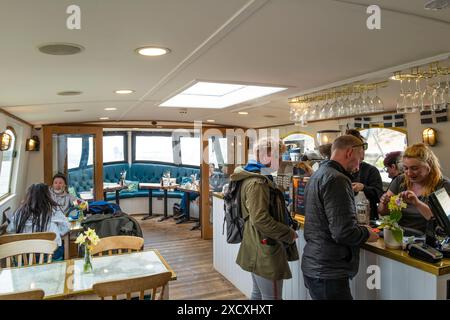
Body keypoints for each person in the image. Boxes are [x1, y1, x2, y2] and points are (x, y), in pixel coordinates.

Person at [302, 135, 379, 300]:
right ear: (350, 152)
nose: (359, 167)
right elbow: (343, 232)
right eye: (360, 158)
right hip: (328, 271)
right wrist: (367, 234)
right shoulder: (337, 179)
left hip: (315, 264)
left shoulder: (317, 175)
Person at [232, 138, 298, 300]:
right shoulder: (258, 182)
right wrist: (288, 233)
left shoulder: (253, 176)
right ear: (267, 155)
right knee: (272, 297)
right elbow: (260, 219)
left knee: (259, 293)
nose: (281, 160)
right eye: (278, 156)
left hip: (256, 243)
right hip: (265, 247)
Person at [378, 143, 450, 234]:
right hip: (399, 235)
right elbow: (382, 212)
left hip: (428, 239)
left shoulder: (443, 186)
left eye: (414, 168)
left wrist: (417, 203)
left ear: (429, 166)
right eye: (406, 168)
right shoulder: (400, 181)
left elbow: (444, 224)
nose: (409, 173)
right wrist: (384, 203)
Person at [7, 183, 71, 260]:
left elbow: (10, 230)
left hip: (25, 256)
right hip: (49, 255)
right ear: (47, 196)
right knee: (61, 245)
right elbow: (66, 227)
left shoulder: (19, 212)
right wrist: (56, 230)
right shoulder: (52, 211)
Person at [346, 129, 383, 220]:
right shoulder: (340, 171)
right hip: (347, 217)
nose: (362, 151)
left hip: (368, 218)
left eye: (362, 148)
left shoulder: (371, 170)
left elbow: (379, 196)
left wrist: (363, 188)